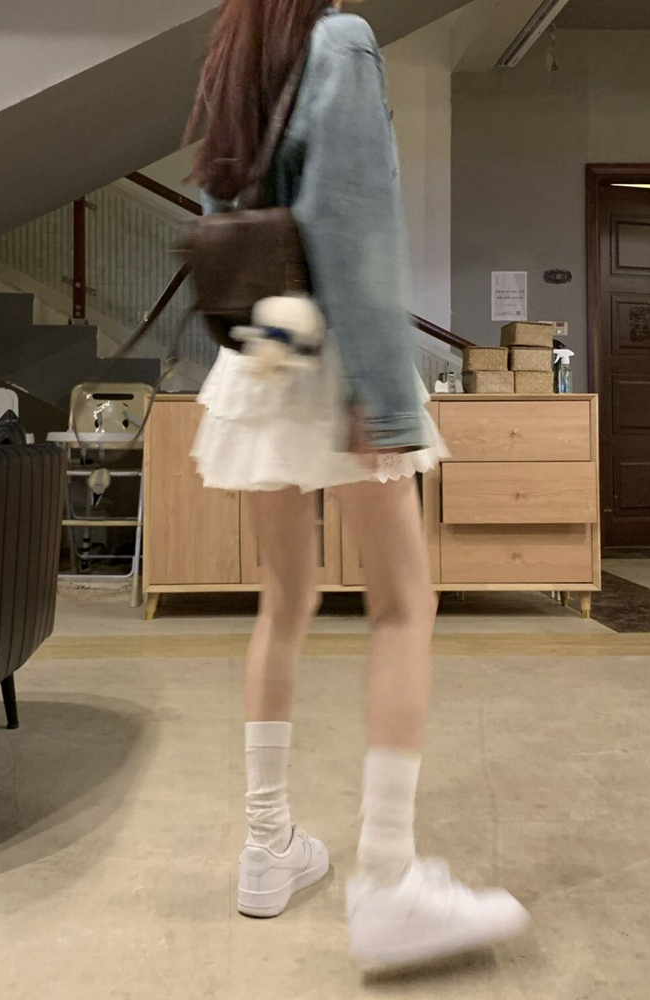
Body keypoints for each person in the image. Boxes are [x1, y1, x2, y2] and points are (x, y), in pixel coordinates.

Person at [184, 0, 530, 971]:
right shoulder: (341, 40)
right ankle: (387, 881)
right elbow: (354, 227)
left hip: (266, 357)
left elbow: (221, 217)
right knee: (404, 605)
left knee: (283, 600)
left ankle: (268, 847)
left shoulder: (237, 57)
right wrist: (381, 394)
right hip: (339, 361)